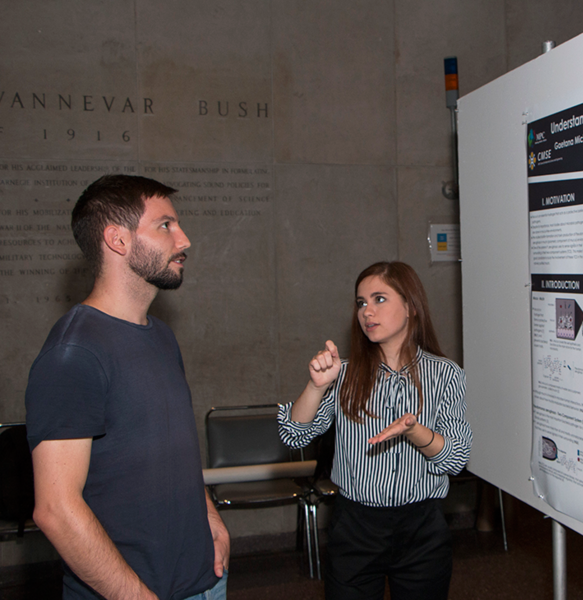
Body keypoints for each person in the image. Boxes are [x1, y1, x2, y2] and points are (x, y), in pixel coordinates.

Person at [25, 175, 230, 600]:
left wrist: (208, 513)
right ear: (117, 240)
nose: (184, 239)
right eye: (165, 226)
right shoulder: (73, 353)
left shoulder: (160, 335)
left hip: (202, 581)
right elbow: (56, 510)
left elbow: (169, 449)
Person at [279, 261, 472, 600]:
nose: (367, 311)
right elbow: (293, 435)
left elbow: (455, 459)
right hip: (356, 526)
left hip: (422, 528)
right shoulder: (346, 374)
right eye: (361, 303)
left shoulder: (446, 375)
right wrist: (315, 386)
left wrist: (414, 431)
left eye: (379, 299)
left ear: (411, 306)